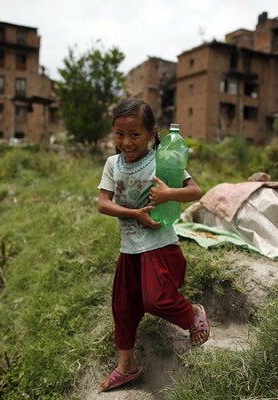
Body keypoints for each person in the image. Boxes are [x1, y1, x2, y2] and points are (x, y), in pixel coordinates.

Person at [97, 99, 210, 392]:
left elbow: (195, 191)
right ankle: (127, 366)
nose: (126, 142)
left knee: (156, 299)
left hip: (159, 245)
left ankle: (192, 313)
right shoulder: (113, 164)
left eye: (134, 134)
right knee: (122, 308)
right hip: (129, 248)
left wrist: (168, 194)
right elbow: (103, 204)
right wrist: (134, 213)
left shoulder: (163, 159)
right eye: (119, 134)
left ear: (151, 133)